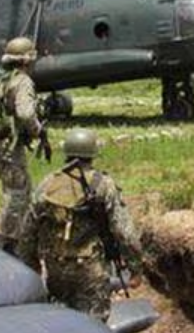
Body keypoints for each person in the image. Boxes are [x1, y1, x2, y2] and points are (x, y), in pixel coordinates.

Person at [18, 128, 140, 322]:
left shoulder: (48, 184)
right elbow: (124, 233)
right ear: (92, 154)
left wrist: (30, 265)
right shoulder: (103, 185)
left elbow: (28, 228)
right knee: (94, 327)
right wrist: (135, 268)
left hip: (55, 268)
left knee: (61, 323)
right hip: (90, 271)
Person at [0, 36, 42, 250]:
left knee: (14, 188)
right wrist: (37, 129)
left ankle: (19, 236)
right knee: (18, 192)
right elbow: (25, 113)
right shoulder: (22, 81)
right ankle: (10, 242)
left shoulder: (0, 77)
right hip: (8, 144)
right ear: (27, 60)